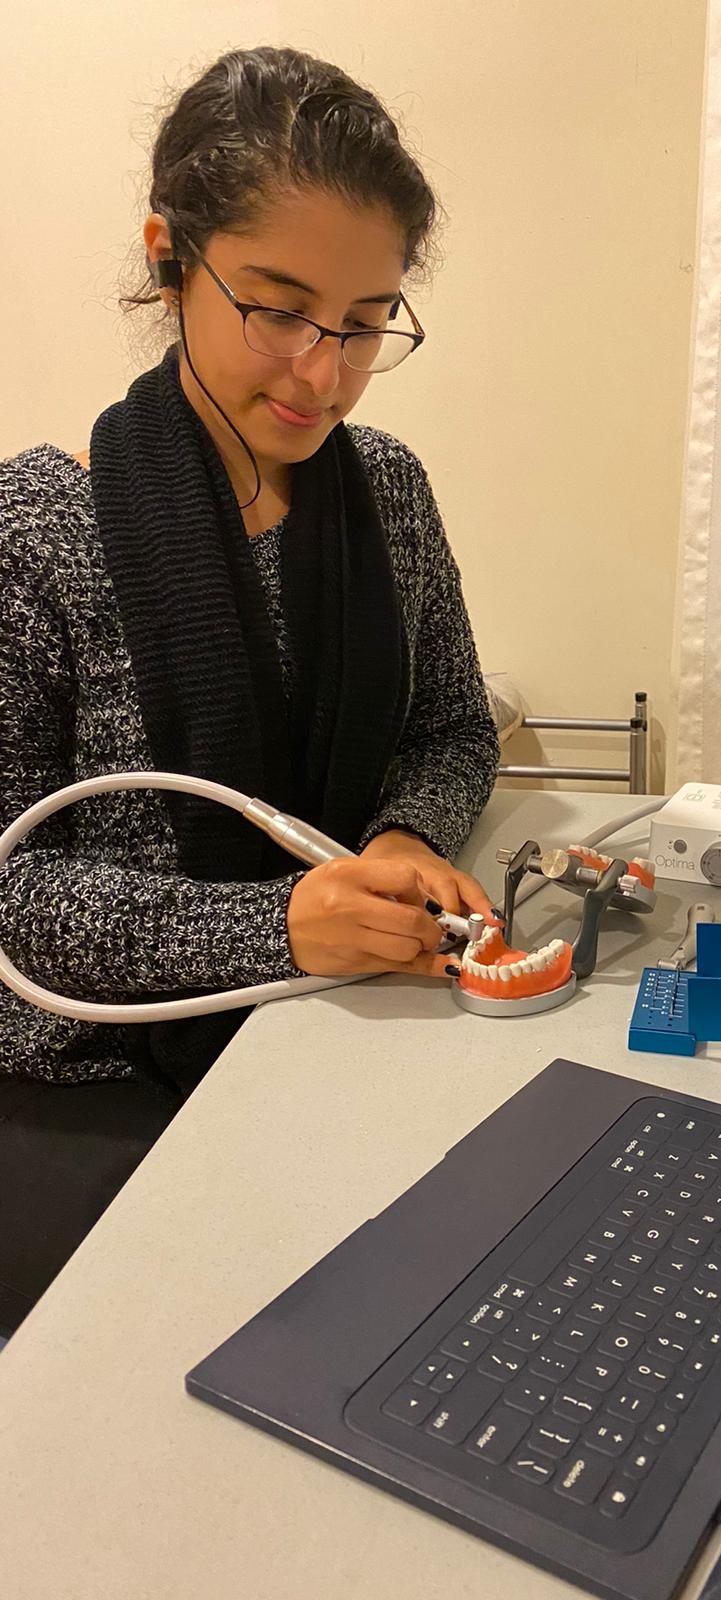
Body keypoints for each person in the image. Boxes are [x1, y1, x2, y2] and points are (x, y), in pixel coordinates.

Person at [0, 46, 500, 1334]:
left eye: (367, 320)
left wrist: (403, 837)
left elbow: (450, 727)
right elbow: (9, 901)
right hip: (93, 1081)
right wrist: (278, 931)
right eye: (276, 307)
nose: (320, 374)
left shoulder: (386, 491)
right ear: (172, 257)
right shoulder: (37, 531)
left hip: (341, 1029)